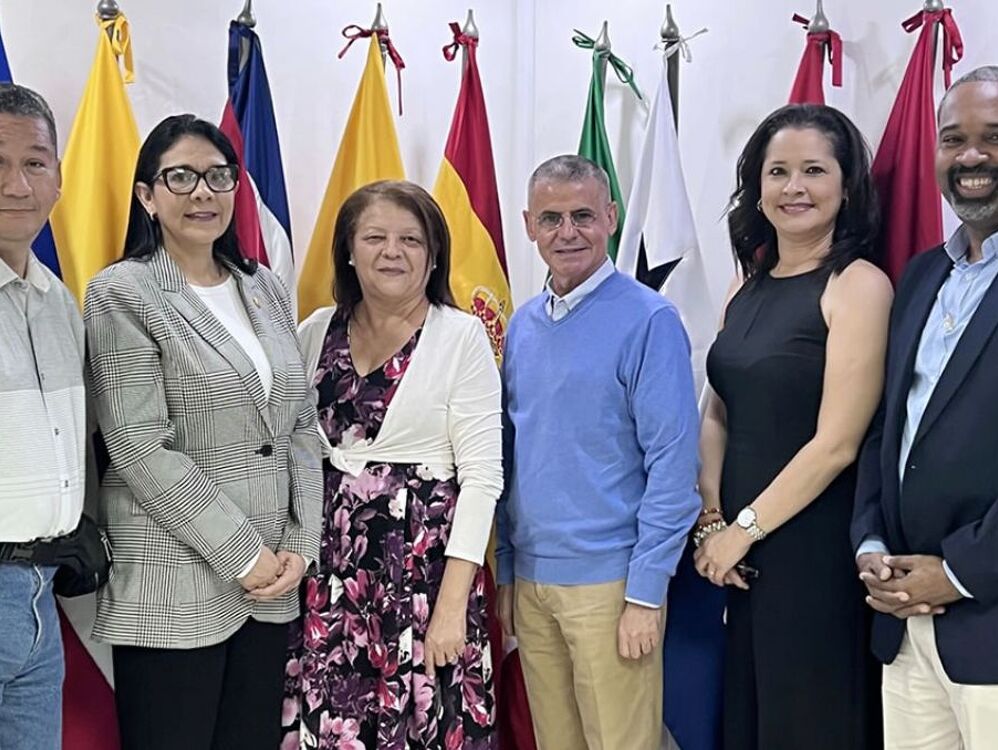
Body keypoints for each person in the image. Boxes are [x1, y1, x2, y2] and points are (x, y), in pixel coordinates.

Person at [83, 114, 322, 750]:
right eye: (181, 177)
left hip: (273, 580)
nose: (203, 193)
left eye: (219, 177)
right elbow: (139, 446)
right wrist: (244, 554)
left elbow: (299, 423)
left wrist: (301, 542)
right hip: (175, 578)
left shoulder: (264, 286)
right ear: (146, 196)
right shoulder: (122, 293)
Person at [693, 104, 891, 750]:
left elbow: (836, 444)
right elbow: (717, 408)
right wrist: (714, 517)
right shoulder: (742, 284)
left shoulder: (858, 285)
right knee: (748, 723)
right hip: (739, 556)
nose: (794, 187)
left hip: (812, 552)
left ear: (846, 186)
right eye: (777, 171)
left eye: (813, 170)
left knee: (808, 724)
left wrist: (743, 531)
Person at [284, 180, 502, 749]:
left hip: (425, 579)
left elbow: (482, 480)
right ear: (349, 250)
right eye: (375, 236)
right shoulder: (312, 333)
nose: (392, 251)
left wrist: (453, 606)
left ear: (433, 257)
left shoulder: (461, 337)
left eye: (410, 238)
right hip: (330, 581)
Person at [496, 154, 701, 750]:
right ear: (529, 225)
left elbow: (672, 466)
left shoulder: (650, 320)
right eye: (552, 218)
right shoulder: (523, 326)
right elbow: (512, 459)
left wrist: (644, 593)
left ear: (610, 217)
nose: (568, 232)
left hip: (612, 588)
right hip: (532, 584)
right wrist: (507, 569)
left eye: (583, 215)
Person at [852, 66, 998, 749]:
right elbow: (889, 428)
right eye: (954, 139)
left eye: (993, 138)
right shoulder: (919, 275)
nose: (971, 157)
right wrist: (872, 543)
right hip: (904, 626)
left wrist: (960, 574)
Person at [0, 83, 81, 750]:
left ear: (59, 177)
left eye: (34, 162)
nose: (16, 184)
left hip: (39, 589)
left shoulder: (59, 303)